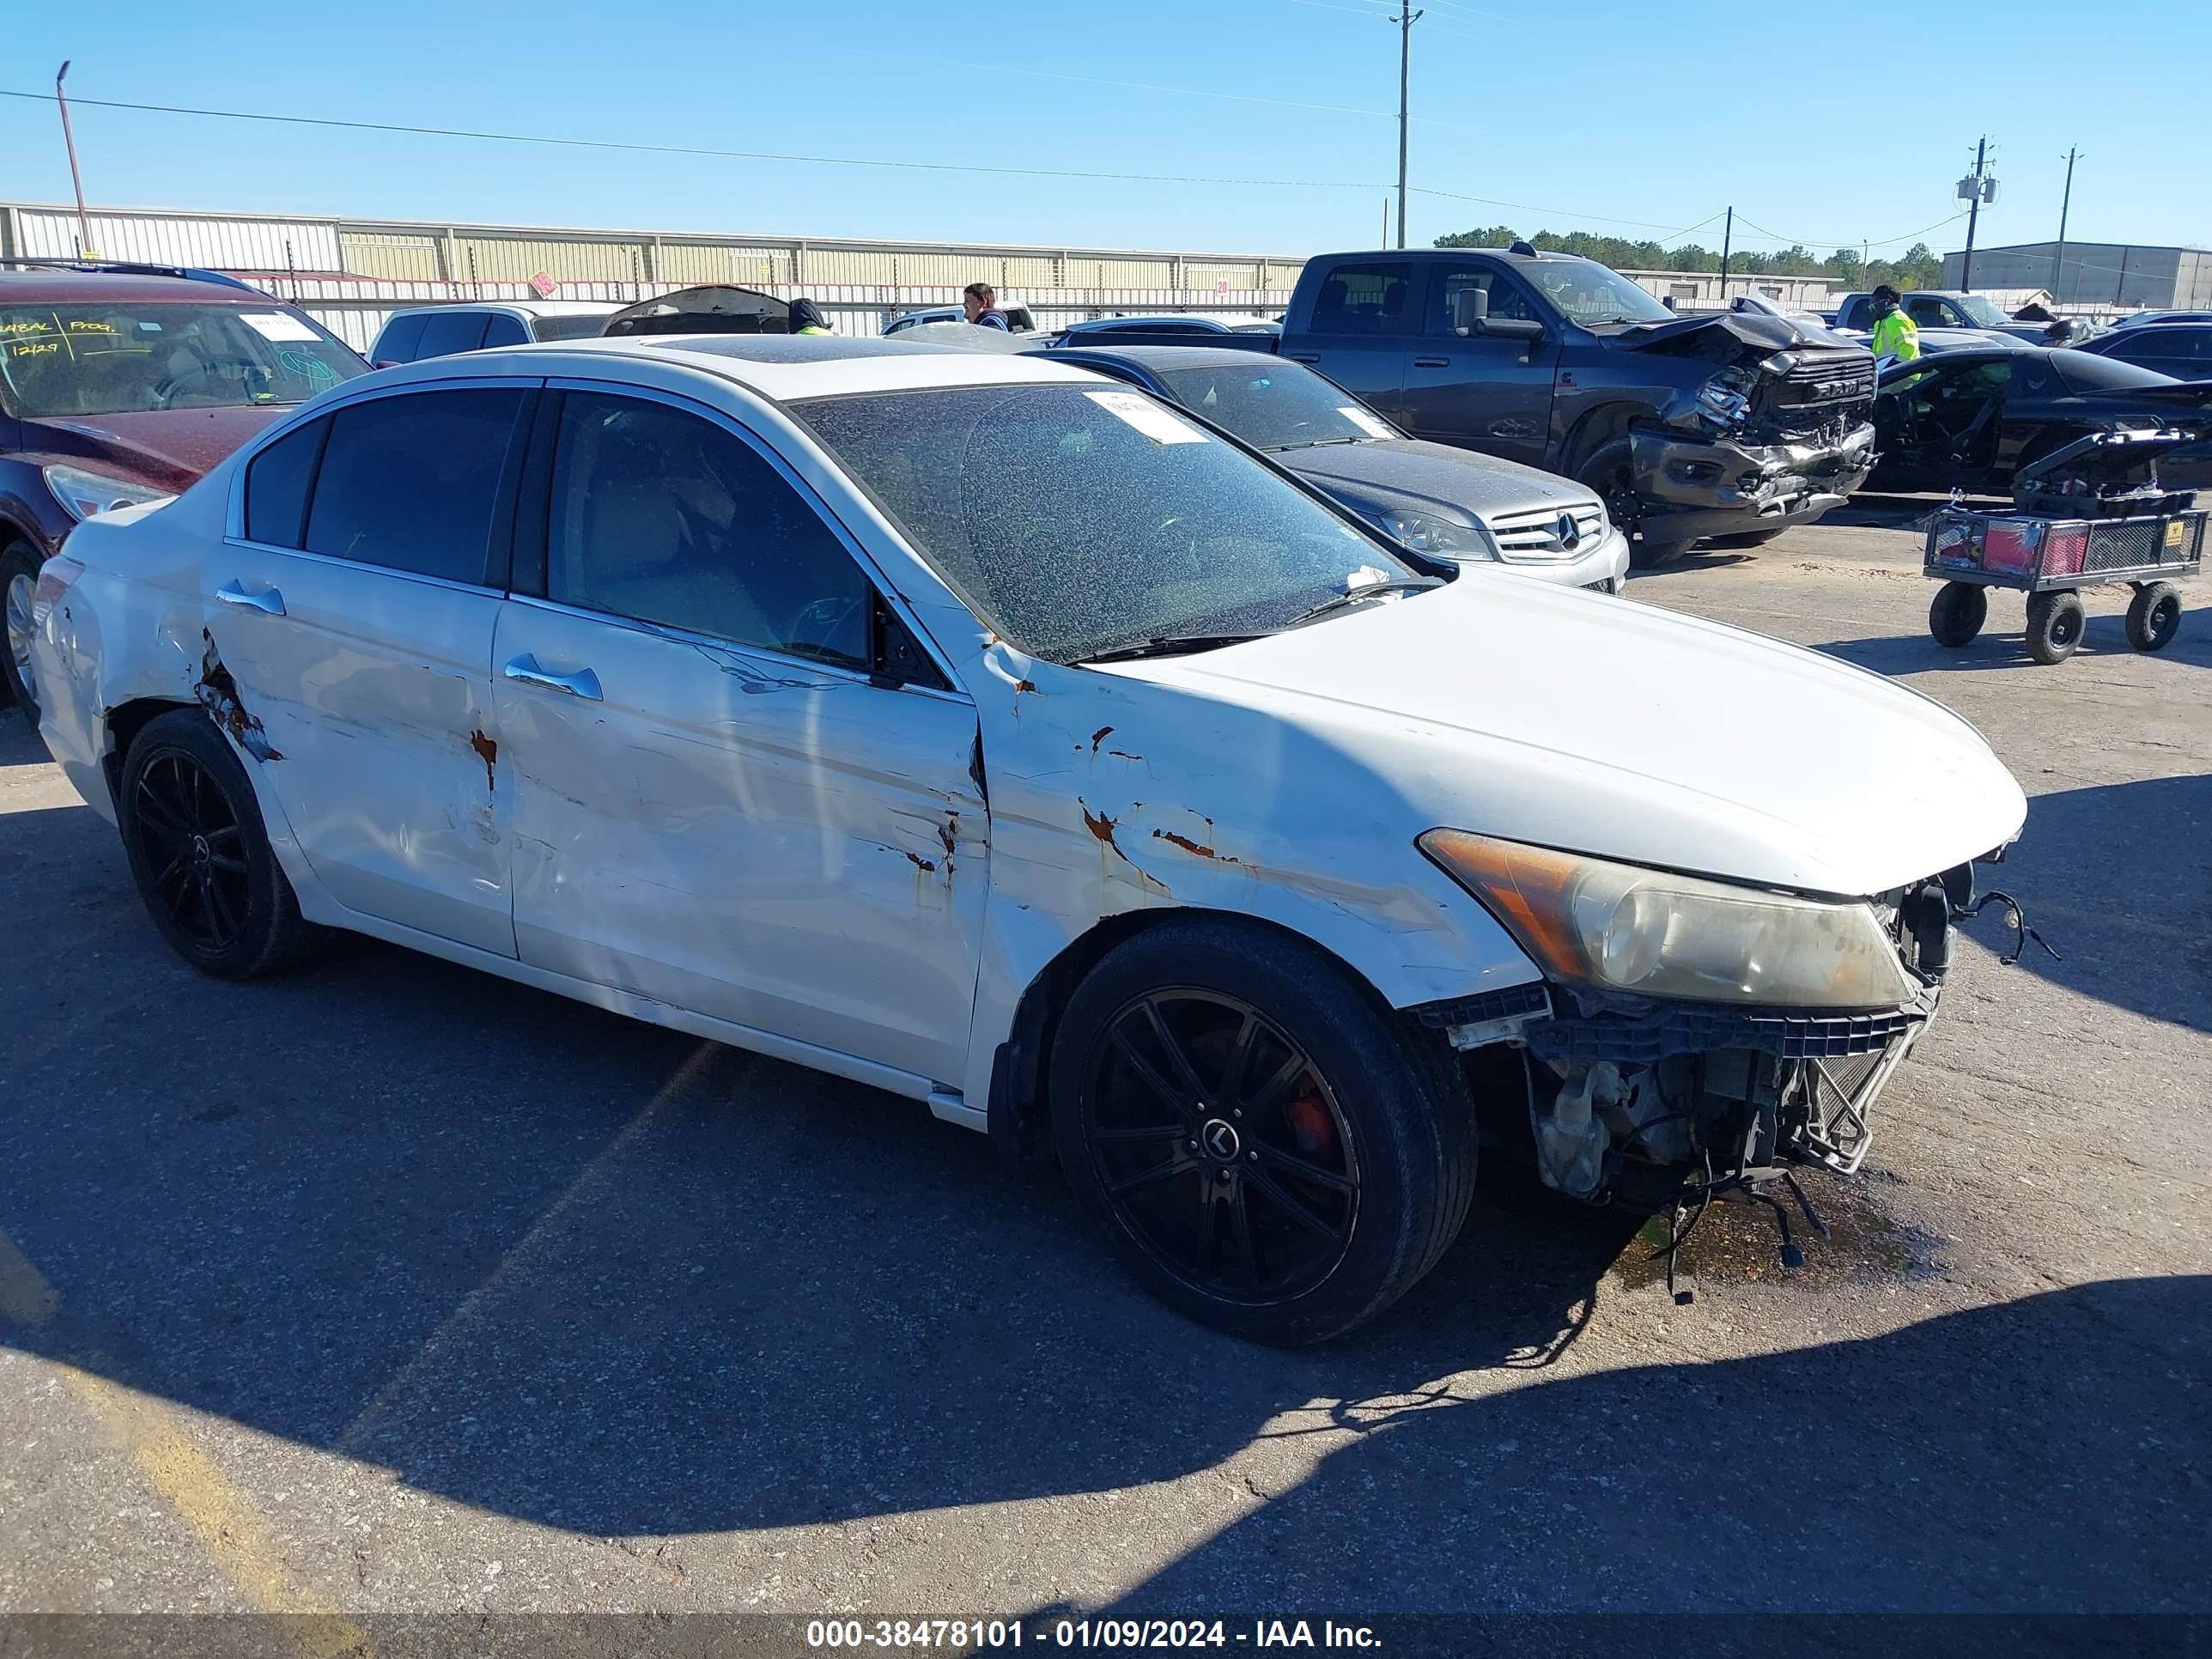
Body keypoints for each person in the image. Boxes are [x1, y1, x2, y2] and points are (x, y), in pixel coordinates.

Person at [1868, 285, 1919, 363]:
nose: (1871, 310)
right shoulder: (1881, 323)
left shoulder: (1898, 319)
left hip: (1903, 374)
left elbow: (1909, 349)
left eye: (1873, 306)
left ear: (1885, 303)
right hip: (1885, 372)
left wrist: (1893, 368)